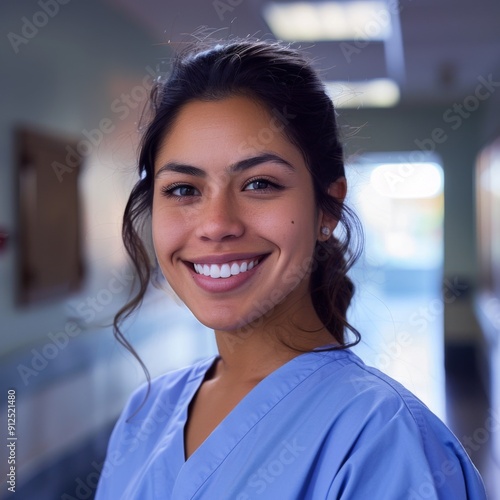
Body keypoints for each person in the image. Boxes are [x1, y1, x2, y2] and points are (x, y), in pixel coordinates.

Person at [95, 39, 487, 499]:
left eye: (260, 183)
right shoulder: (146, 416)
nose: (217, 224)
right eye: (183, 189)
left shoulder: (384, 439)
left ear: (328, 209)